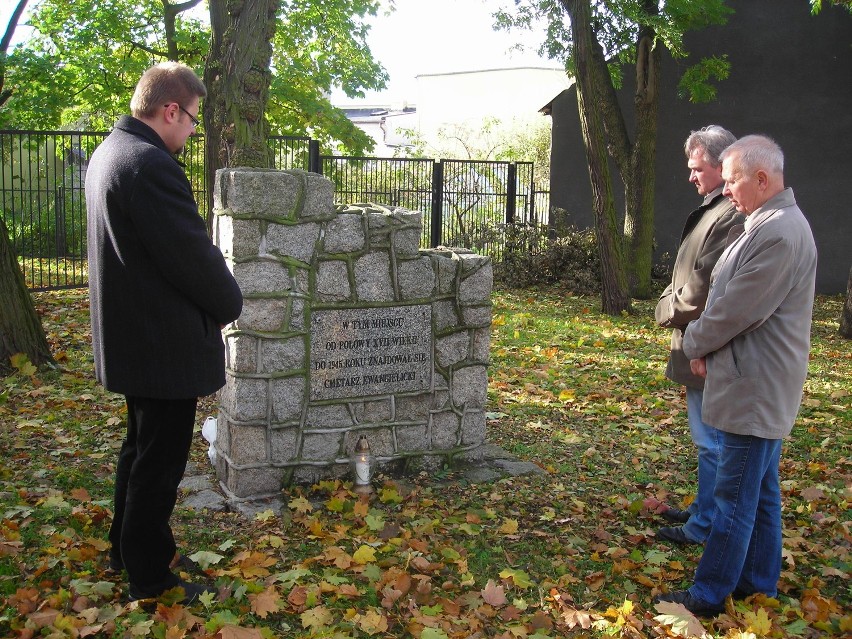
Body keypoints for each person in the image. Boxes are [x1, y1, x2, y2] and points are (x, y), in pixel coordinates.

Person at [86, 62, 243, 603]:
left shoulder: (109, 154)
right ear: (170, 110)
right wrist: (230, 300)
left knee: (140, 450)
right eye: (193, 120)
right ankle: (150, 578)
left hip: (136, 340)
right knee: (158, 464)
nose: (193, 130)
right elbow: (190, 256)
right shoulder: (150, 165)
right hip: (160, 346)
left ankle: (123, 548)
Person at [653, 135, 817, 616]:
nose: (726, 192)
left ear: (762, 179)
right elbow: (728, 299)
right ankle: (757, 581)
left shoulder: (779, 232)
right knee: (761, 494)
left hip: (756, 388)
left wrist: (696, 342)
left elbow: (734, 310)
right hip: (753, 380)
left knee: (732, 500)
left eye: (732, 181)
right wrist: (707, 344)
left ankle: (707, 595)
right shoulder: (763, 222)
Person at [654, 125, 742, 546]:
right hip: (697, 343)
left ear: (722, 166)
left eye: (697, 167)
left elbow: (702, 287)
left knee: (711, 443)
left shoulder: (729, 213)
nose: (691, 175)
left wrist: (664, 308)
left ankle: (705, 524)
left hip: (707, 345)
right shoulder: (716, 207)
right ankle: (704, 509)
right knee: (706, 440)